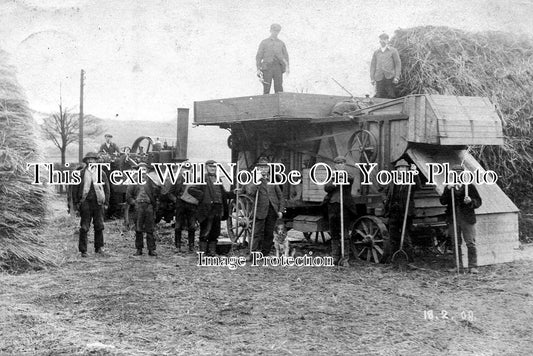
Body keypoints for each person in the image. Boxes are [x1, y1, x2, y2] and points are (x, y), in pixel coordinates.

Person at [439, 164, 482, 274]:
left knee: (470, 242)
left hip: (467, 219)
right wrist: (448, 189)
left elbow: (478, 202)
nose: (456, 175)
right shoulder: (449, 187)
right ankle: (458, 266)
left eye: (459, 173)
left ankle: (472, 266)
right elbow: (442, 201)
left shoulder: (469, 186)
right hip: (453, 219)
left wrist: (471, 201)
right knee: (455, 243)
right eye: (454, 173)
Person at [245, 157, 285, 259]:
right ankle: (253, 254)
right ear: (258, 169)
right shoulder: (254, 180)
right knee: (256, 233)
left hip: (272, 210)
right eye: (261, 167)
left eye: (265, 167)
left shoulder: (272, 180)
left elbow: (280, 196)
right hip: (260, 210)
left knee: (269, 233)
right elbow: (250, 191)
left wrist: (280, 210)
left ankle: (264, 253)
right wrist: (256, 181)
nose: (264, 169)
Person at [72, 152, 110, 257]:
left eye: (93, 159)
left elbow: (107, 189)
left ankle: (99, 248)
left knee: (99, 226)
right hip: (85, 202)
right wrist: (76, 203)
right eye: (89, 160)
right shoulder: (81, 173)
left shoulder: (101, 173)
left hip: (98, 203)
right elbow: (74, 189)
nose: (91, 161)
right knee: (84, 227)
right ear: (86, 161)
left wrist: (106, 203)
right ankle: (83, 250)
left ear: (96, 161)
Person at [382, 159, 418, 263]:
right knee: (393, 236)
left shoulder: (411, 180)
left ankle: (409, 260)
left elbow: (418, 186)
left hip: (406, 213)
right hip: (394, 212)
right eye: (399, 168)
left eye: (404, 168)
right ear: (396, 170)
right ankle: (394, 258)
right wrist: (385, 200)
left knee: (406, 236)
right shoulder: (393, 181)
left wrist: (414, 173)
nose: (401, 169)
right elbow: (384, 192)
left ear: (407, 170)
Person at [323, 156, 357, 265]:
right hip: (333, 206)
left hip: (345, 206)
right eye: (338, 164)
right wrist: (334, 182)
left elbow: (351, 179)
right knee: (334, 232)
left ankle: (345, 258)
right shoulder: (331, 175)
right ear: (335, 165)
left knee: (345, 233)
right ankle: (335, 257)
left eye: (342, 163)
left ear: (344, 165)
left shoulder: (348, 175)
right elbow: (326, 187)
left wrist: (341, 177)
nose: (340, 165)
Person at [126, 162, 161, 256]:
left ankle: (151, 249)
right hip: (139, 207)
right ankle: (139, 249)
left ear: (147, 171)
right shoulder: (134, 180)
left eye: (145, 169)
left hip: (149, 206)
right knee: (138, 229)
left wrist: (155, 204)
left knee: (150, 229)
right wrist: (135, 203)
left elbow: (157, 193)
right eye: (141, 169)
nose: (143, 171)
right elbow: (128, 196)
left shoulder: (151, 181)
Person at [196, 160, 230, 256]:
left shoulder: (218, 179)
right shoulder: (201, 179)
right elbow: (192, 190)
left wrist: (233, 193)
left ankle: (212, 251)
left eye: (214, 167)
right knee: (205, 230)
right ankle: (202, 252)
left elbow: (223, 194)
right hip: (207, 209)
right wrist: (204, 198)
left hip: (218, 208)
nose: (212, 168)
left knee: (215, 231)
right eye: (210, 166)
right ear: (206, 167)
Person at [168, 164, 203, 253]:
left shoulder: (195, 180)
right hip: (180, 205)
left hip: (192, 205)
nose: (185, 171)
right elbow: (170, 193)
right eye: (184, 169)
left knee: (192, 226)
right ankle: (178, 246)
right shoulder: (177, 180)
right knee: (178, 226)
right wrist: (177, 201)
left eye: (188, 169)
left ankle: (191, 246)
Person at [256, 23, 289, 94]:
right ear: (270, 30)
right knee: (266, 88)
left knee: (279, 88)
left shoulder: (281, 43)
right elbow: (259, 56)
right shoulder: (264, 42)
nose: (275, 32)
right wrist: (258, 69)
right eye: (274, 30)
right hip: (267, 67)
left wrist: (287, 67)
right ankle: (265, 104)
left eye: (277, 31)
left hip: (278, 67)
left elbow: (286, 57)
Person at [370, 33, 401, 99]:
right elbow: (373, 66)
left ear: (387, 40)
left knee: (391, 95)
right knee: (379, 96)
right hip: (379, 77)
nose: (382, 41)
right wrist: (372, 78)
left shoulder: (393, 51)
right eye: (381, 39)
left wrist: (397, 77)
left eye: (384, 39)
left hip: (390, 77)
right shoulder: (376, 52)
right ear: (379, 41)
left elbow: (397, 64)